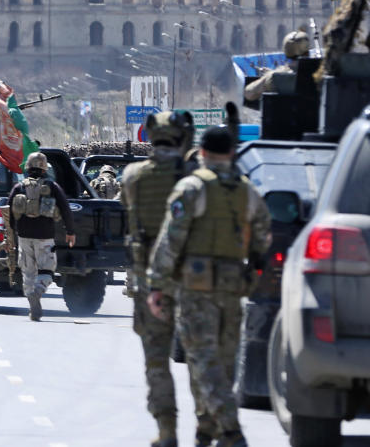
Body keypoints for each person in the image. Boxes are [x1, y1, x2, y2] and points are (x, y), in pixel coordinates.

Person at [147, 126, 272, 447]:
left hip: (196, 290)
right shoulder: (248, 191)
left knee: (202, 362)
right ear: (232, 153)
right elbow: (262, 238)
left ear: (202, 153)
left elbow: (170, 241)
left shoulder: (191, 188)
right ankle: (206, 431)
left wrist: (157, 286)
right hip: (232, 288)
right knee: (225, 363)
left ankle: (230, 431)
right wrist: (252, 273)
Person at [119, 111, 195, 447]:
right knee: (200, 358)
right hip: (191, 280)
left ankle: (167, 431)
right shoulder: (193, 177)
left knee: (157, 359)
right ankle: (208, 427)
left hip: (148, 279)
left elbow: (125, 206)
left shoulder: (133, 176)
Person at [8, 151, 76, 321]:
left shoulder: (19, 187)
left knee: (28, 272)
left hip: (24, 237)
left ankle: (32, 303)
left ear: (28, 167)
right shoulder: (52, 187)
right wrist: (70, 232)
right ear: (45, 168)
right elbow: (66, 209)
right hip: (45, 237)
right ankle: (39, 290)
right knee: (47, 269)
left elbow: (9, 212)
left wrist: (11, 235)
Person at [243, 30, 309, 101]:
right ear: (307, 51)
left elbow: (248, 93)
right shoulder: (317, 74)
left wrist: (269, 76)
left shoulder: (274, 77)